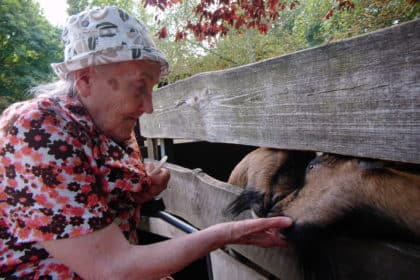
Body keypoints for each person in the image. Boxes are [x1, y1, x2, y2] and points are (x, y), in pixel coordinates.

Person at [0, 6, 293, 280]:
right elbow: (110, 267)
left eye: (151, 89)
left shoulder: (112, 129)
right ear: (86, 79)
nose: (149, 107)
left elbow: (88, 196)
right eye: (140, 87)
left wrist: (139, 190)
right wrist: (224, 234)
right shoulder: (38, 128)